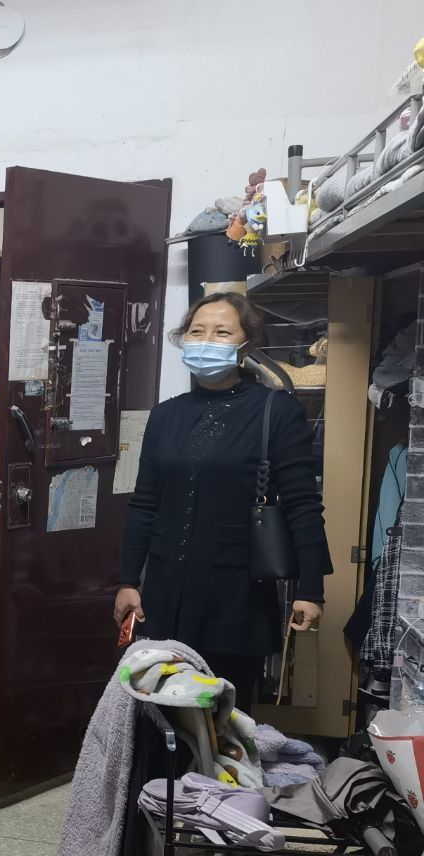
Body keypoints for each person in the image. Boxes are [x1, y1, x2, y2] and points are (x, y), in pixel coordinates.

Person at [115, 292, 330, 713]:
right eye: (197, 331)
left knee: (224, 720)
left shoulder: (276, 411)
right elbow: (144, 504)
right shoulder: (165, 416)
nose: (206, 340)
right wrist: (127, 581)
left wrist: (311, 589)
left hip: (236, 595)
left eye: (222, 332)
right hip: (164, 591)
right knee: (158, 714)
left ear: (245, 346)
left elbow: (303, 504)